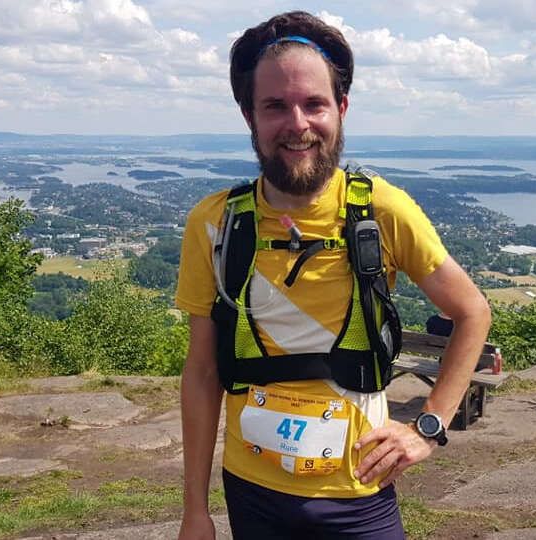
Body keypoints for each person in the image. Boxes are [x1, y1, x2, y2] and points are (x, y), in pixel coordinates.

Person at [175, 11, 491, 539]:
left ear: (340, 109)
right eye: (275, 106)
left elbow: (472, 311)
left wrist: (428, 426)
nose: (297, 124)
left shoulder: (380, 211)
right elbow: (203, 372)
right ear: (249, 116)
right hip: (251, 490)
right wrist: (194, 510)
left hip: (357, 495)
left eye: (314, 104)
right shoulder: (215, 224)